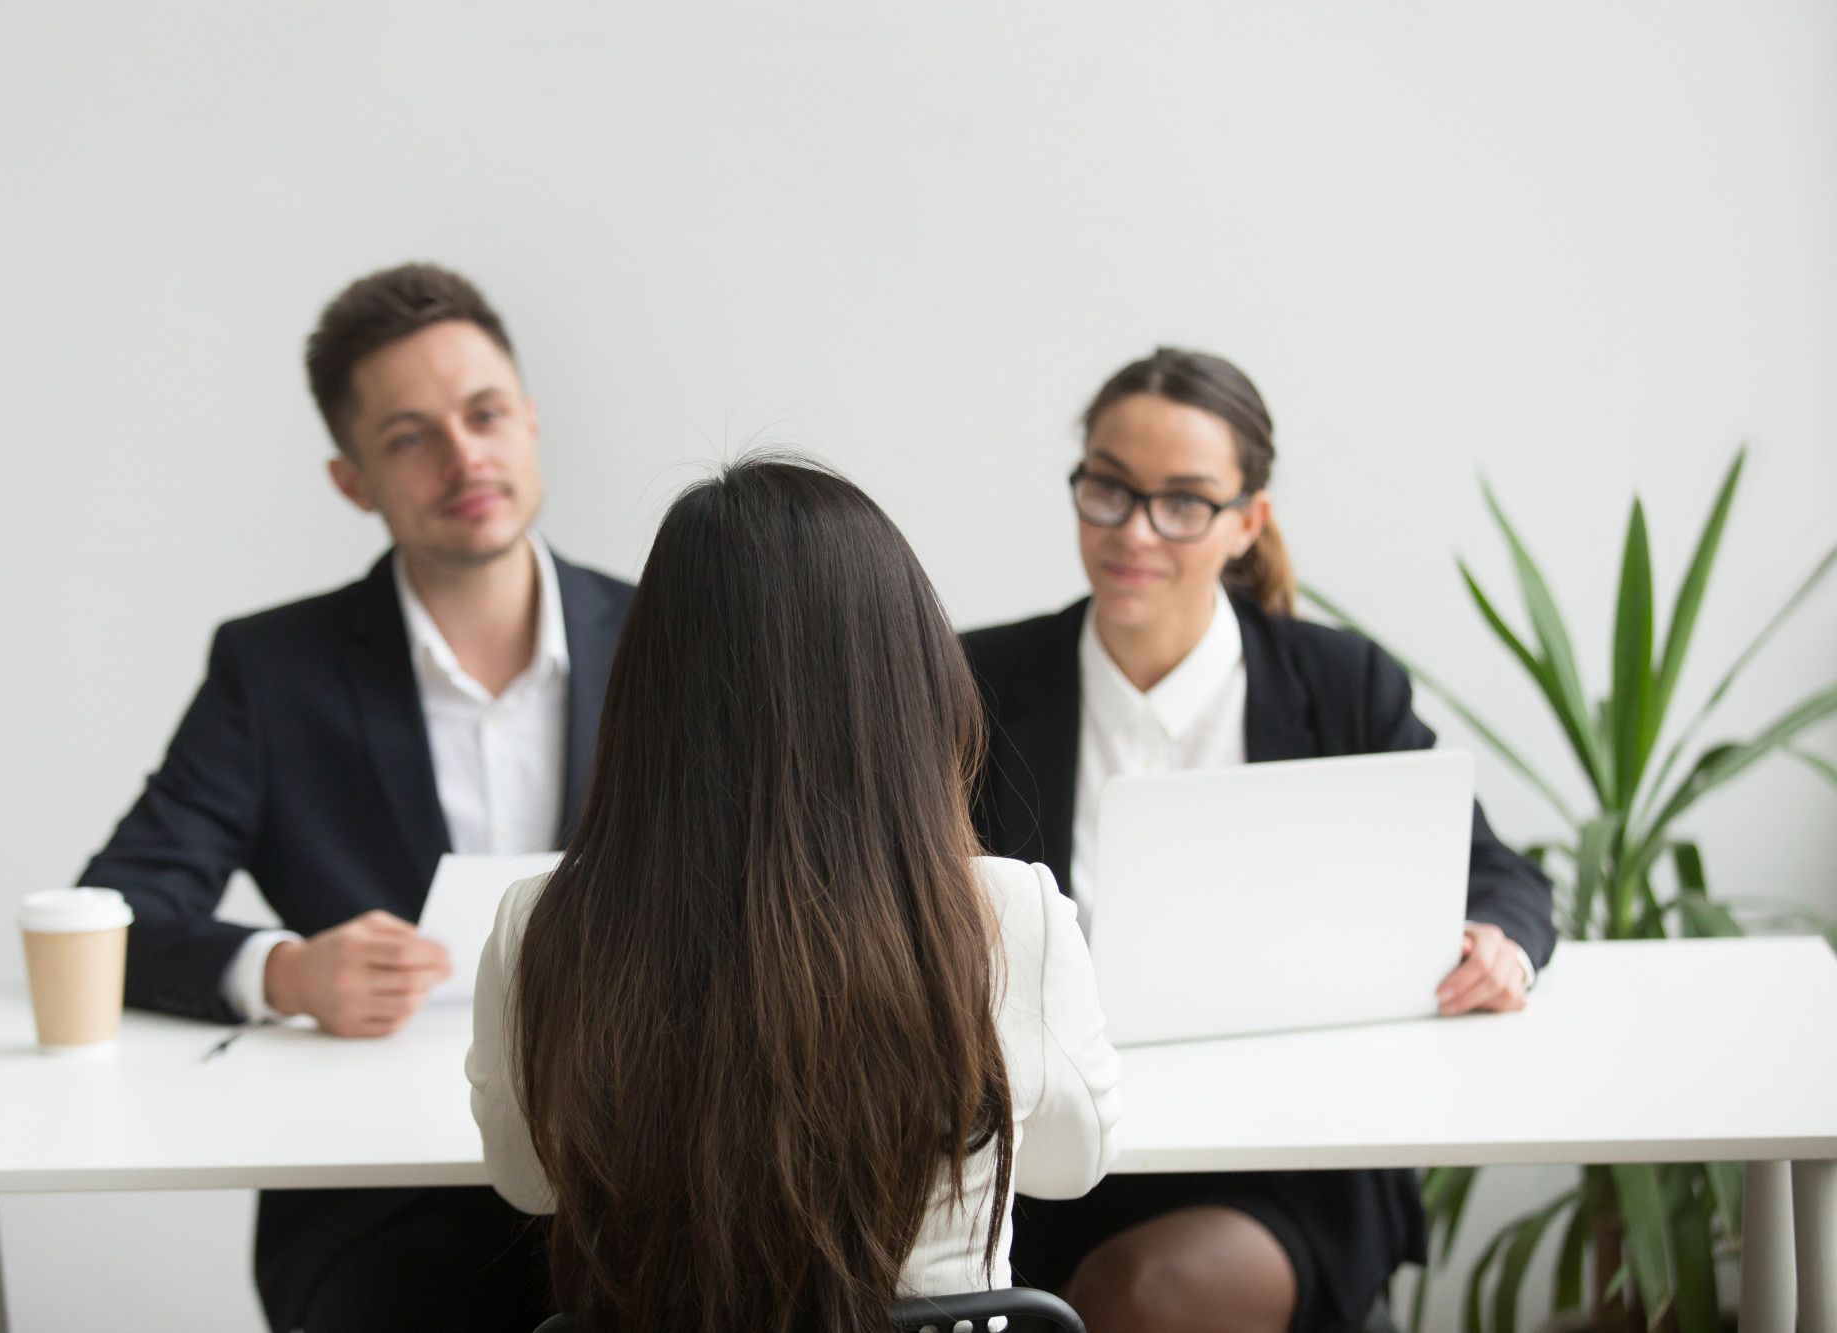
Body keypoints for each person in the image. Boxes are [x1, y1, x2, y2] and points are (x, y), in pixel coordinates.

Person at [79, 263, 631, 1332]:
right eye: (410, 436)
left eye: (484, 415)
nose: (464, 456)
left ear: (529, 422)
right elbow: (118, 909)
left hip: (638, 1172)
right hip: (379, 1204)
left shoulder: (669, 636)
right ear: (351, 479)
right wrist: (283, 969)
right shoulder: (272, 670)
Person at [962, 348, 1557, 1333]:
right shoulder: (980, 681)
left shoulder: (1338, 685)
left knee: (1138, 1299)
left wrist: (1498, 941)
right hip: (1050, 1155)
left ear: (1247, 520)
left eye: (1183, 501)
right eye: (1107, 488)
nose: (1134, 530)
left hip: (1289, 1156)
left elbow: (1497, 873)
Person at [466, 456, 1125, 1331]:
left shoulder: (544, 921)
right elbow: (1072, 1165)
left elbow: (528, 1178)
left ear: (649, 692)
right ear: (906, 681)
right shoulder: (1005, 914)